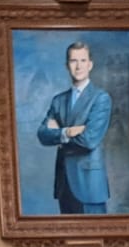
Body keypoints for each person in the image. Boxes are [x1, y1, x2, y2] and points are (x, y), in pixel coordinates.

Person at [37, 40, 113, 215]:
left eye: (83, 60)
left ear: (90, 65)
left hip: (89, 184)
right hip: (64, 184)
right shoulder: (58, 100)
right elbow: (42, 135)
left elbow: (89, 139)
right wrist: (69, 131)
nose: (78, 66)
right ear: (67, 65)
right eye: (73, 61)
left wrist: (58, 133)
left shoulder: (101, 98)